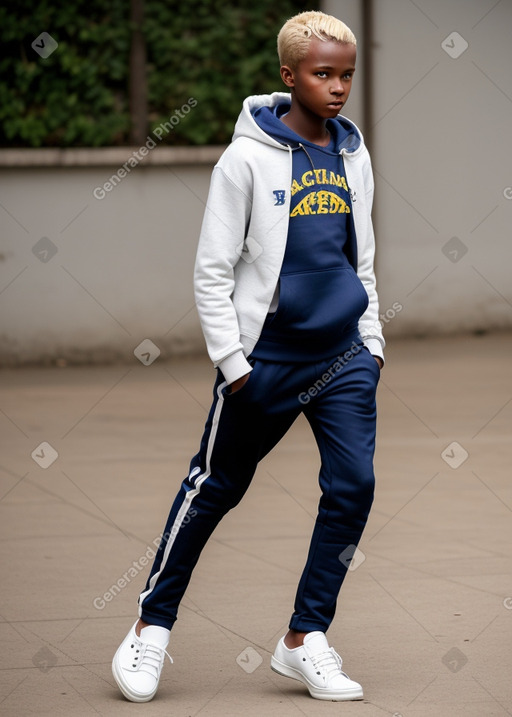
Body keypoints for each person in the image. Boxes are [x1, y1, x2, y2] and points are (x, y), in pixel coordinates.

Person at [112, 9, 384, 703]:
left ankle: (304, 638)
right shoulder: (245, 160)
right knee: (215, 489)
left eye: (347, 74)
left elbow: (364, 258)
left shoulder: (353, 153)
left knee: (353, 486)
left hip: (344, 357)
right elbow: (213, 269)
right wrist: (234, 364)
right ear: (289, 75)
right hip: (266, 361)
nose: (338, 88)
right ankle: (150, 625)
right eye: (324, 74)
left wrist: (372, 342)